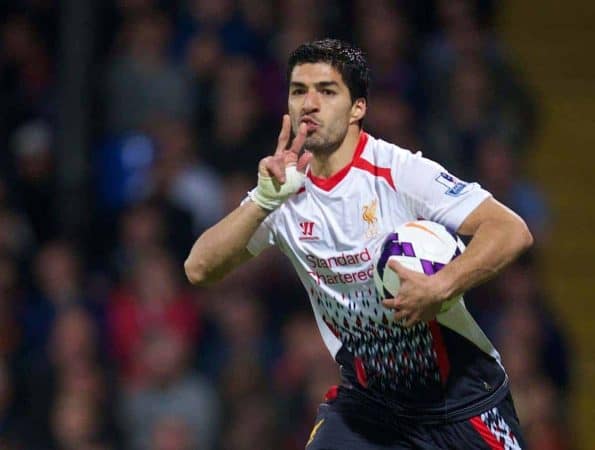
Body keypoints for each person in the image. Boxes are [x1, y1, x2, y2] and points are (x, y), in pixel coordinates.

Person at [184, 39, 533, 449]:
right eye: (298, 91)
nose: (308, 104)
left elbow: (511, 230)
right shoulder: (283, 190)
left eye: (326, 91)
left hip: (461, 403)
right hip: (368, 410)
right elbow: (199, 268)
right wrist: (262, 202)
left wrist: (442, 285)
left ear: (357, 108)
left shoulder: (399, 172)